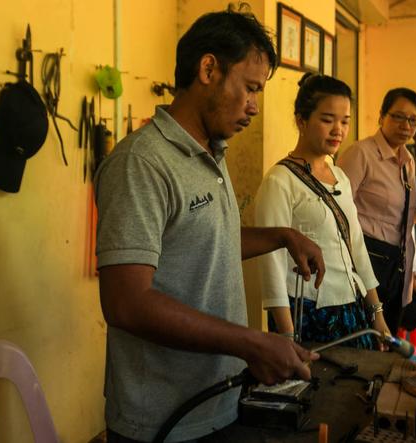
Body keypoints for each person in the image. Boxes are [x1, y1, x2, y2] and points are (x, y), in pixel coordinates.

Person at [94, 8, 325, 443]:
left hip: (219, 401)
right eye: (251, 88)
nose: (254, 106)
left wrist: (281, 236)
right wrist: (250, 342)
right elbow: (126, 302)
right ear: (208, 69)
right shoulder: (141, 163)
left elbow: (202, 243)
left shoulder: (210, 155)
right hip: (165, 421)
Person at [254, 74, 390, 350]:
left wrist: (377, 313)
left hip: (351, 307)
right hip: (307, 313)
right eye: (327, 120)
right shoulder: (280, 181)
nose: (338, 130)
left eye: (344, 121)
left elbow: (357, 247)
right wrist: (288, 336)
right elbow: (271, 265)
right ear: (302, 120)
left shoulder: (340, 176)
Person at [337, 88, 416, 336]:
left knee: (389, 335)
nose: (405, 125)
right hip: (367, 258)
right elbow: (338, 211)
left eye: (413, 120)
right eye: (397, 116)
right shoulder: (361, 153)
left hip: (397, 263)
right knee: (366, 335)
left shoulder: (408, 160)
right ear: (382, 116)